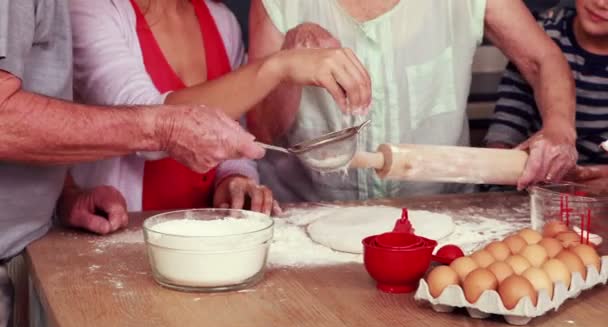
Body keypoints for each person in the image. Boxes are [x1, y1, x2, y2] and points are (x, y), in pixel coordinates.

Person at [0, 0, 267, 327]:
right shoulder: (90, 10)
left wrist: (65, 192)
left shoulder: (221, 20)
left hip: (21, 255)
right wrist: (163, 129)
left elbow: (33, 105)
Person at [247, 0, 579, 203]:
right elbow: (263, 130)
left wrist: (560, 128)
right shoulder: (281, 2)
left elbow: (542, 59)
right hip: (307, 218)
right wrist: (288, 63)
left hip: (439, 218)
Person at [68, 0, 371, 216]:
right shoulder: (92, 9)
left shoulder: (221, 19)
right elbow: (148, 123)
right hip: (124, 238)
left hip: (206, 245)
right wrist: (278, 66)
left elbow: (233, 133)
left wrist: (234, 179)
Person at [486, 0, 608, 185]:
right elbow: (509, 122)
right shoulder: (542, 35)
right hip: (535, 185)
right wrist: (499, 168)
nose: (600, 3)